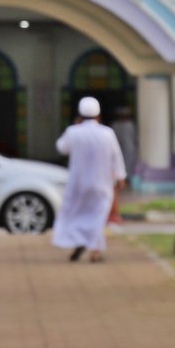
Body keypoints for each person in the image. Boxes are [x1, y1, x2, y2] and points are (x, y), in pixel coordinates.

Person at [53, 96, 126, 262]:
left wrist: (75, 126)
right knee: (98, 216)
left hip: (78, 183)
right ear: (98, 116)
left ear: (79, 115)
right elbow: (116, 156)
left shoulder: (73, 132)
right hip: (102, 182)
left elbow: (61, 148)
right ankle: (95, 250)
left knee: (75, 213)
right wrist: (120, 177)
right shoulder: (107, 133)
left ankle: (80, 241)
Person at [112, 103, 139, 189]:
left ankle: (128, 181)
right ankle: (120, 181)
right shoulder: (115, 125)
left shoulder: (130, 124)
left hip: (129, 149)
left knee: (129, 165)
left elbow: (134, 137)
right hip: (118, 149)